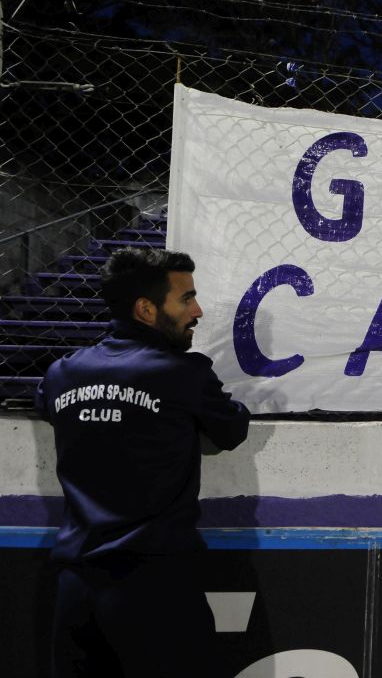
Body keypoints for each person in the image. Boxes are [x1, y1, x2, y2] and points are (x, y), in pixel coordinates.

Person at [35, 247, 251, 678]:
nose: (198, 310)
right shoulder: (181, 374)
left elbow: (49, 406)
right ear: (147, 309)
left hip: (75, 587)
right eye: (186, 298)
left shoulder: (63, 373)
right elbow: (232, 430)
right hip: (154, 585)